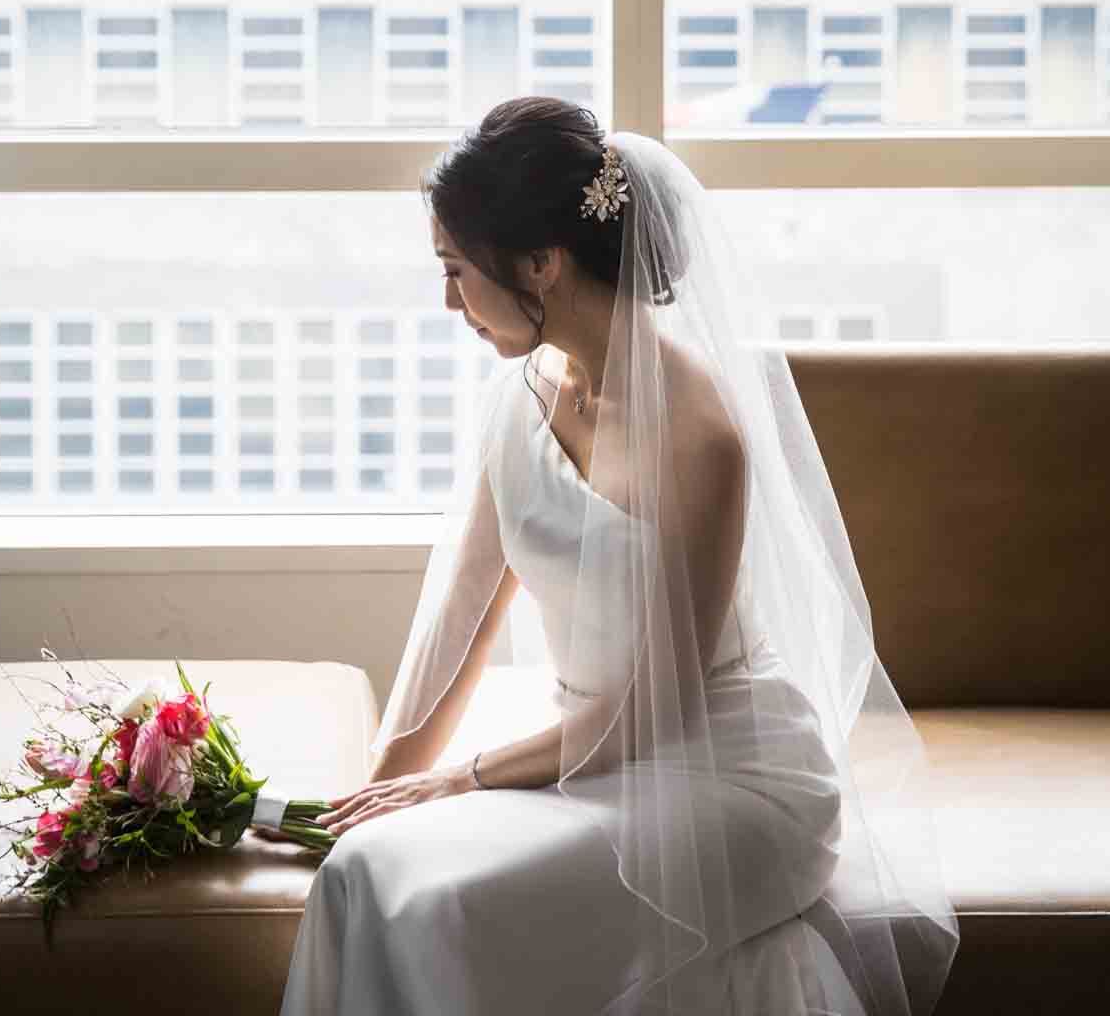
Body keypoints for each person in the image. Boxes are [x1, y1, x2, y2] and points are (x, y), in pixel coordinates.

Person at [278, 98, 959, 1016]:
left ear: (540, 263)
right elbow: (462, 620)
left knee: (439, 901)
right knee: (362, 866)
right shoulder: (517, 395)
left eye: (454, 269)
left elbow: (659, 701)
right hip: (586, 755)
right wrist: (378, 787)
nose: (448, 302)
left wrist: (461, 778)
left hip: (723, 773)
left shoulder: (698, 433)